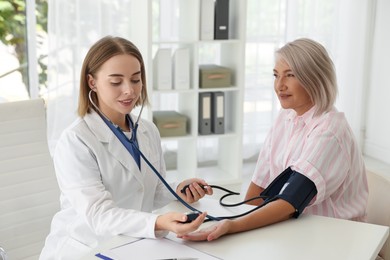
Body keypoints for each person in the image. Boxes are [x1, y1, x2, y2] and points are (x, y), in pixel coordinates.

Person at [40, 36, 212, 259]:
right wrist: (158, 222)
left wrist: (177, 190)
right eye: (116, 82)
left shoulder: (147, 130)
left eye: (135, 79)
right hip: (87, 248)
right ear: (92, 82)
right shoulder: (76, 140)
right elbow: (99, 215)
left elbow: (148, 191)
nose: (129, 90)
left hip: (130, 244)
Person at [179, 38, 369, 242]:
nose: (279, 86)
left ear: (315, 78)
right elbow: (259, 185)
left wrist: (233, 226)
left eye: (290, 75)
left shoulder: (330, 131)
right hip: (298, 230)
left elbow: (292, 199)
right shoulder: (286, 118)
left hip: (336, 239)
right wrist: (235, 229)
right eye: (276, 75)